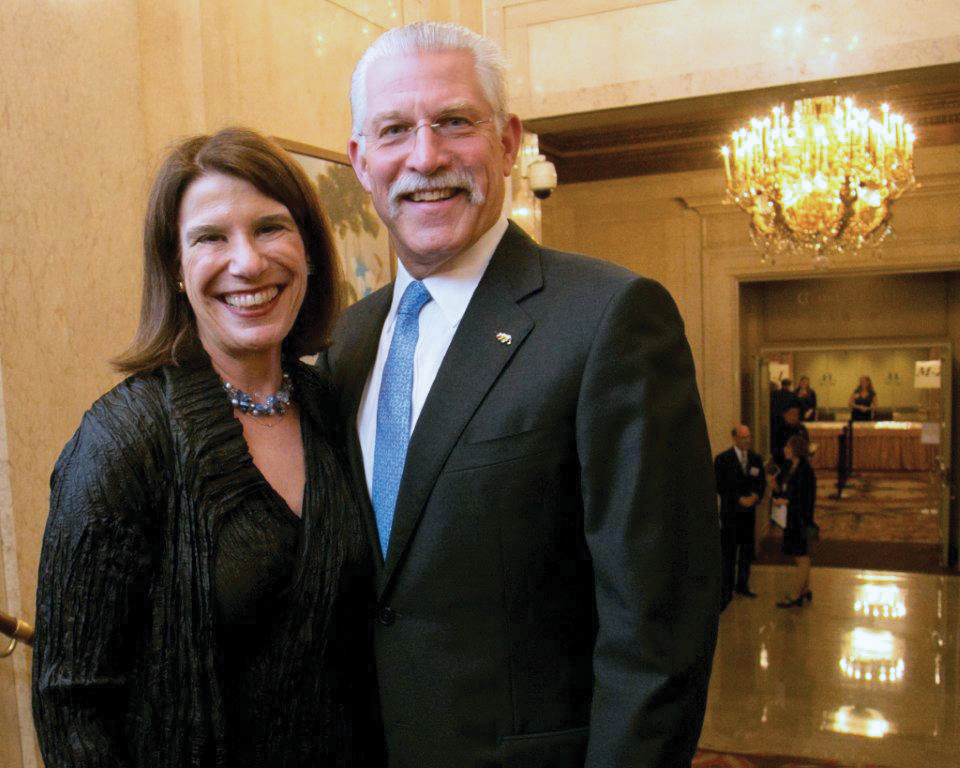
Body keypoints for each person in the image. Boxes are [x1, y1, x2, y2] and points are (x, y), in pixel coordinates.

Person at [322, 21, 719, 767]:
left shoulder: (609, 318)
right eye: (395, 130)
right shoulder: (346, 343)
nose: (425, 156)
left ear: (507, 142)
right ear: (360, 161)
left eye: (454, 122)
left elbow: (659, 633)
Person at [32, 128, 379, 767]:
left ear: (308, 248)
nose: (247, 263)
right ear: (175, 267)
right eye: (211, 238)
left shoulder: (334, 407)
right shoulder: (124, 441)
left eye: (271, 228)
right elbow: (73, 703)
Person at [715, 426, 766, 607]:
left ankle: (742, 585)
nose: (747, 441)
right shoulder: (722, 460)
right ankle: (726, 589)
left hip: (748, 515)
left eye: (749, 437)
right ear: (734, 438)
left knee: (746, 551)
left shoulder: (756, 459)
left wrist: (755, 496)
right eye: (743, 437)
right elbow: (719, 485)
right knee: (728, 553)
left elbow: (761, 483)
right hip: (730, 514)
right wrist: (738, 499)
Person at [773, 434, 817, 608]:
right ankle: (805, 590)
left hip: (801, 519)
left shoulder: (805, 471)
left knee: (802, 557)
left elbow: (804, 497)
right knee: (800, 555)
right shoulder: (791, 466)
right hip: (792, 518)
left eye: (788, 446)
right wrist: (780, 495)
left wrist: (785, 501)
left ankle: (796, 595)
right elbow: (788, 490)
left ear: (795, 450)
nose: (785, 449)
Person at [772, 401, 809, 469]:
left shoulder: (801, 429)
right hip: (782, 463)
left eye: (796, 414)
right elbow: (775, 448)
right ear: (785, 415)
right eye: (792, 414)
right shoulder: (778, 429)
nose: (794, 417)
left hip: (800, 464)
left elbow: (806, 444)